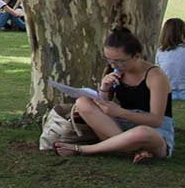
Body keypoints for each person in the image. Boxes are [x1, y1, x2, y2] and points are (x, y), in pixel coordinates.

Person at [54, 27, 174, 163]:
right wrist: (104, 89)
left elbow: (156, 120)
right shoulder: (114, 71)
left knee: (142, 132)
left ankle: (84, 149)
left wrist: (120, 112)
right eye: (109, 60)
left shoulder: (156, 76)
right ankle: (133, 150)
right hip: (120, 128)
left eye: (120, 61)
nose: (114, 64)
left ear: (136, 56)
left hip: (153, 132)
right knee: (82, 102)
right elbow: (104, 107)